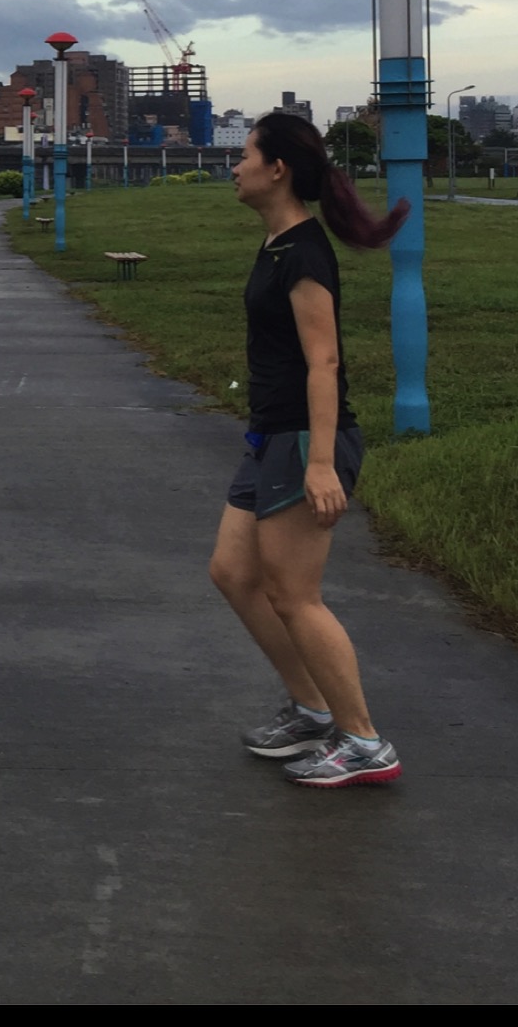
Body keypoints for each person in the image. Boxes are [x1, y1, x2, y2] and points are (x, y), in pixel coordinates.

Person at [208, 110, 406, 788]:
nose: (234, 167)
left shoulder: (304, 253)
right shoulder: (277, 245)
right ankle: (312, 711)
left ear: (277, 169)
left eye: (245, 155)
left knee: (296, 595)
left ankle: (364, 742)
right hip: (270, 435)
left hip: (303, 441)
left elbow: (324, 363)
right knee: (233, 573)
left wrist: (321, 462)